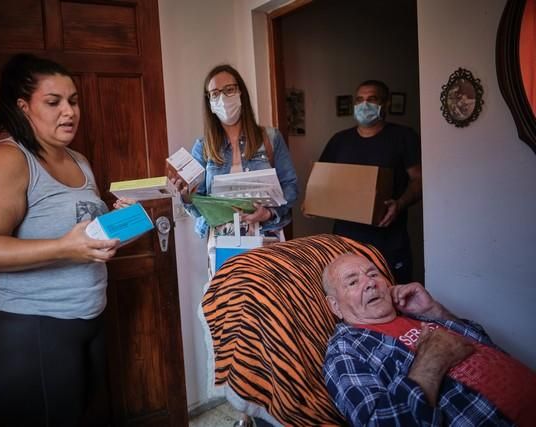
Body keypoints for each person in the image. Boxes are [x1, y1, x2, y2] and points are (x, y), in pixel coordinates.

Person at [0, 53, 131, 426]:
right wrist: (64, 248)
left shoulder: (79, 160)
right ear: (23, 107)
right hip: (30, 328)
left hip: (87, 320)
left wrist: (119, 220)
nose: (69, 111)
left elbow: (83, 235)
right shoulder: (9, 160)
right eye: (53, 102)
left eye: (73, 100)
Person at [322, 253, 536, 426]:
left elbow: (484, 343)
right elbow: (380, 421)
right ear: (335, 306)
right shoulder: (345, 349)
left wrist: (435, 311)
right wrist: (432, 359)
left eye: (373, 274)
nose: (370, 283)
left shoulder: (413, 312)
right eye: (352, 282)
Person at [170, 64, 298, 277]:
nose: (223, 98)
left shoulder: (271, 138)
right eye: (215, 94)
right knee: (229, 305)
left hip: (266, 239)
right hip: (223, 243)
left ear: (241, 93)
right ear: (209, 102)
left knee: (266, 305)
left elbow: (291, 186)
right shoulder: (203, 147)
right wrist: (186, 196)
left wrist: (268, 213)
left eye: (229, 90)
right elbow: (197, 204)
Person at [318, 80, 422, 284]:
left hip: (388, 240)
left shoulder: (403, 137)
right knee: (349, 295)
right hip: (345, 240)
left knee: (393, 295)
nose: (364, 105)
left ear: (386, 103)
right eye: (359, 100)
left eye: (371, 99)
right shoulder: (340, 140)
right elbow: (322, 180)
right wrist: (314, 201)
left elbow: (419, 179)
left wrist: (399, 204)